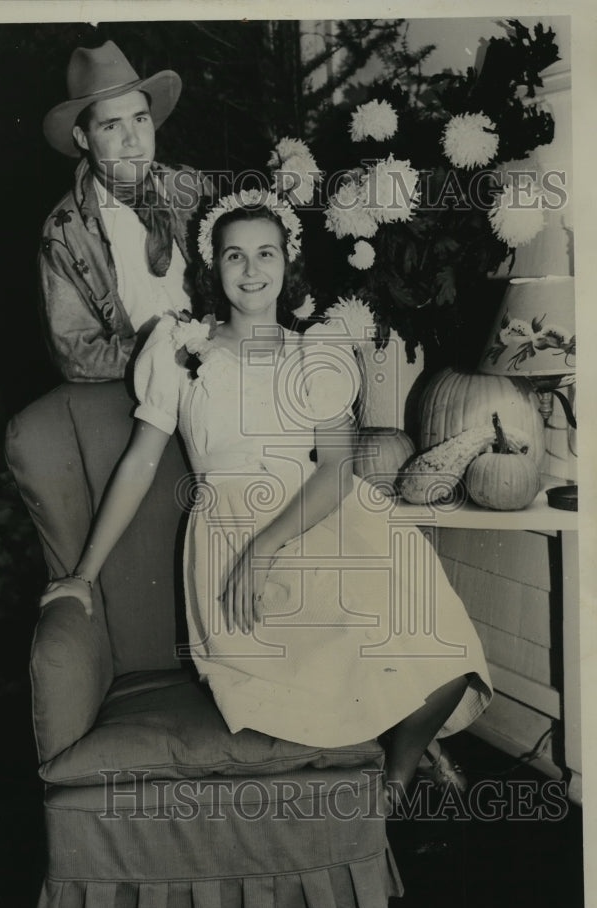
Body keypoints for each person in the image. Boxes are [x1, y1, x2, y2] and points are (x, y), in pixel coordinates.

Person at [40, 189, 493, 802]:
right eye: (234, 256)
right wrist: (84, 575)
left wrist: (267, 548)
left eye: (266, 254)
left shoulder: (318, 353)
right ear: (212, 268)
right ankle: (390, 747)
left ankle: (395, 779)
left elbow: (336, 470)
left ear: (287, 262)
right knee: (323, 672)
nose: (252, 271)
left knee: (442, 651)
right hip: (227, 537)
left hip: (316, 517)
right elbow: (138, 464)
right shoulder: (178, 347)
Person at [40, 40, 212, 381]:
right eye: (111, 125)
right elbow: (75, 353)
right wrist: (167, 350)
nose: (133, 140)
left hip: (221, 364)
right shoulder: (64, 233)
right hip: (143, 388)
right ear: (83, 138)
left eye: (140, 119)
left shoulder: (191, 188)